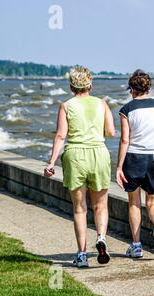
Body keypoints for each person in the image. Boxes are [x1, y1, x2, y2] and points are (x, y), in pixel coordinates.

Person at [44, 66, 116, 268]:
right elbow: (111, 132)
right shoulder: (101, 104)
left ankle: (82, 254)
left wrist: (51, 163)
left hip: (75, 155)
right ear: (90, 85)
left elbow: (60, 136)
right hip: (98, 154)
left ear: (71, 87)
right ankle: (101, 238)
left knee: (79, 208)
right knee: (101, 205)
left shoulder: (66, 105)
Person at [116, 70, 154, 258]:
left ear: (132, 89)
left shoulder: (127, 109)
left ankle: (136, 245)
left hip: (134, 157)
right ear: (148, 88)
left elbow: (125, 140)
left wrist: (119, 167)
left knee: (134, 203)